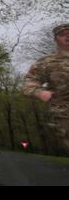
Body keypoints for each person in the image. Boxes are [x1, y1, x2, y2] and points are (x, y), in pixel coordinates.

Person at [23, 24, 69, 153]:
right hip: (64, 115)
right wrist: (39, 92)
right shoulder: (46, 62)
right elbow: (29, 82)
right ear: (56, 40)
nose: (68, 35)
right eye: (63, 33)